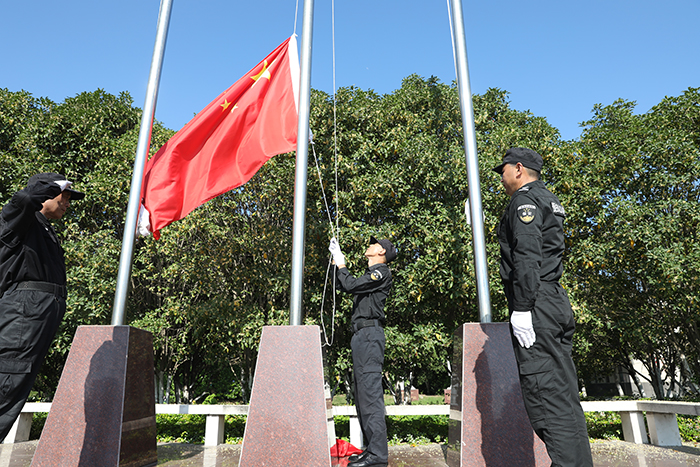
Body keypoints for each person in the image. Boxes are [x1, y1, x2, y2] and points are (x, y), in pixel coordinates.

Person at [493, 148, 593, 467]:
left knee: (547, 400)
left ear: (519, 169)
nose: (502, 177)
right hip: (553, 301)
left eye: (504, 170)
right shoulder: (548, 198)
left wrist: (522, 308)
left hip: (536, 303)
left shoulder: (523, 201)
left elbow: (527, 256)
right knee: (563, 399)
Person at [0, 172, 84, 441]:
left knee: (18, 385)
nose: (67, 202)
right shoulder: (22, 218)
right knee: (9, 379)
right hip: (24, 311)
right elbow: (24, 198)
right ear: (45, 195)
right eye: (64, 196)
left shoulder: (44, 226)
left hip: (40, 312)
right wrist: (51, 187)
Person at [328, 236, 396, 467]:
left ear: (381, 252)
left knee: (370, 396)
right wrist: (337, 265)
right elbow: (344, 285)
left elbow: (350, 285)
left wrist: (342, 263)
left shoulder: (382, 272)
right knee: (362, 397)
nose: (370, 244)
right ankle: (372, 451)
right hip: (362, 337)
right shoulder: (370, 277)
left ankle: (378, 456)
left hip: (369, 336)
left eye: (374, 243)